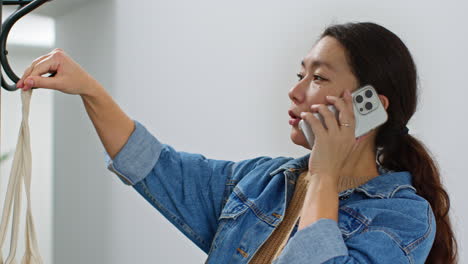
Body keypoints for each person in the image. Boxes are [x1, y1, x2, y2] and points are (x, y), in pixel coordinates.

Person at [16, 22, 457, 263]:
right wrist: (90, 89)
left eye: (319, 77)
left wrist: (325, 173)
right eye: (299, 73)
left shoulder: (403, 219)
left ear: (369, 107)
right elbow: (154, 165)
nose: (296, 90)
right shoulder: (259, 181)